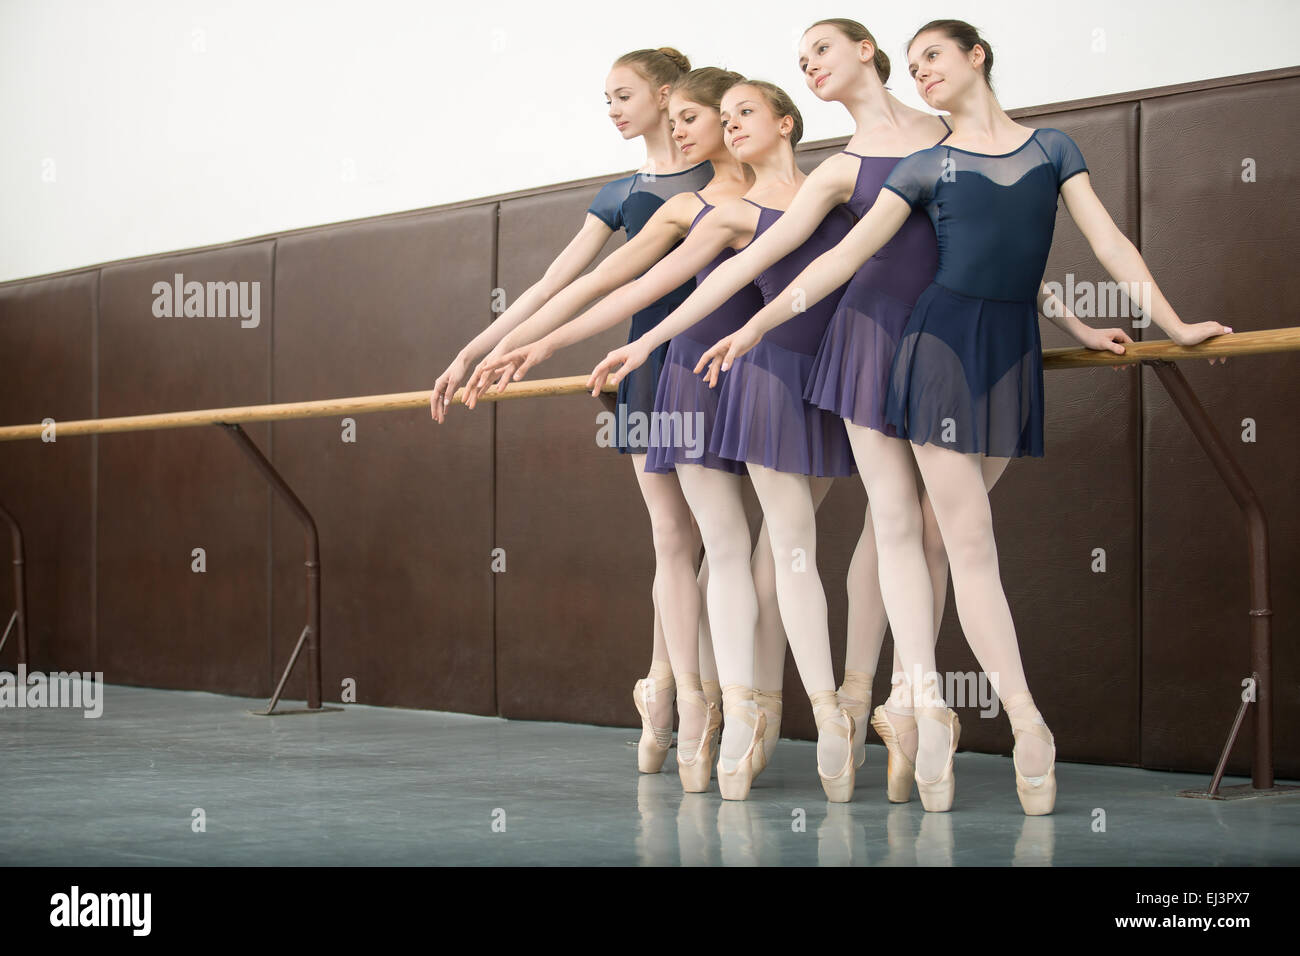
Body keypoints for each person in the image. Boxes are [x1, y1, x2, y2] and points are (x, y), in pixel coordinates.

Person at [694, 19, 1231, 814]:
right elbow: (841, 259)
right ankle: (1020, 722)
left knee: (943, 537)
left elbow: (1104, 240)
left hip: (1007, 355)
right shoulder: (919, 165)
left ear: (977, 55)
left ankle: (919, 709)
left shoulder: (1052, 149)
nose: (925, 73)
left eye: (934, 57)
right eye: (915, 66)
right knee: (960, 538)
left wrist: (1169, 323)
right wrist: (757, 324)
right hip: (936, 348)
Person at [427, 48, 723, 779]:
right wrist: (474, 350)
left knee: (726, 541)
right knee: (672, 536)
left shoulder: (723, 169)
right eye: (606, 100)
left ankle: (683, 687)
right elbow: (562, 283)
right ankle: (674, 693)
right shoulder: (622, 192)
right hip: (647, 367)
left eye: (624, 95)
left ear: (665, 94)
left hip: (725, 356)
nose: (615, 109)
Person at [583, 78, 863, 801]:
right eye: (724, 116)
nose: (730, 127)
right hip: (739, 371)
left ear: (786, 121)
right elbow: (659, 285)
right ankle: (733, 710)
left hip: (816, 380)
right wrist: (625, 347)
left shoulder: (837, 191)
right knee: (726, 549)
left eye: (744, 114)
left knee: (790, 553)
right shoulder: (723, 211)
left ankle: (818, 711)